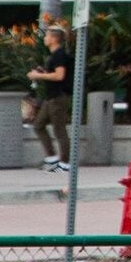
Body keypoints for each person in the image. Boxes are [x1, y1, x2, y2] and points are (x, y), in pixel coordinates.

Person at [24, 19, 75, 171]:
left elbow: (60, 76)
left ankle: (65, 163)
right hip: (51, 96)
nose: (45, 38)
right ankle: (52, 158)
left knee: (59, 130)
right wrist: (43, 73)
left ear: (53, 38)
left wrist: (38, 76)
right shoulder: (53, 56)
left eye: (47, 36)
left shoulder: (59, 55)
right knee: (38, 125)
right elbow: (55, 75)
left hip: (58, 97)